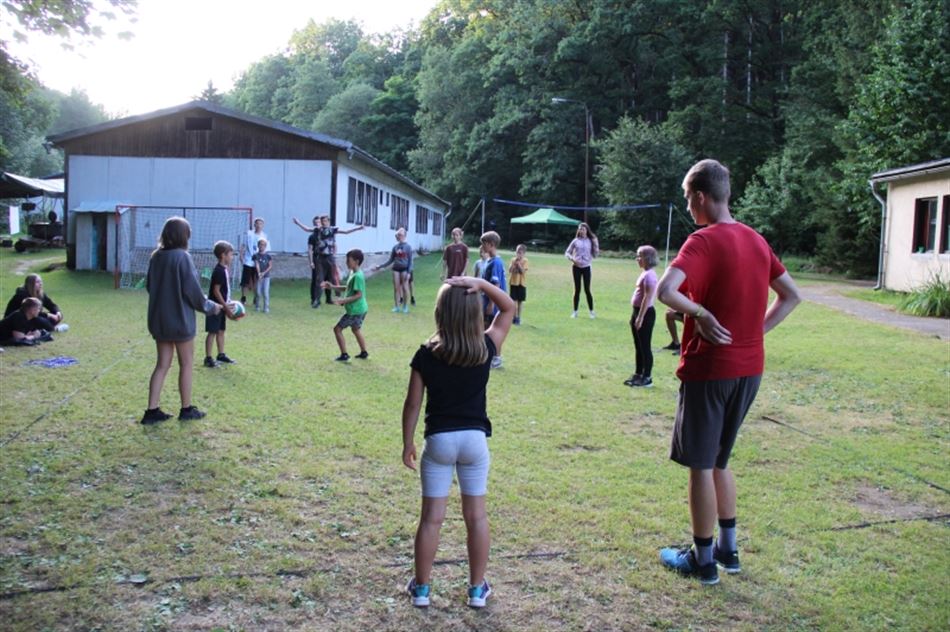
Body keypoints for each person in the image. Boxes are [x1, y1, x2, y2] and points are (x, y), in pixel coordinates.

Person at [656, 159, 800, 585]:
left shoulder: (702, 241)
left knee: (701, 465)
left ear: (701, 197)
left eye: (688, 199)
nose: (688, 207)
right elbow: (791, 296)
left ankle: (702, 561)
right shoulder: (756, 240)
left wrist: (700, 313)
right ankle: (727, 549)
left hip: (710, 370)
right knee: (719, 459)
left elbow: (665, 291)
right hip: (749, 369)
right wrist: (754, 333)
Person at [401, 275, 515, 609]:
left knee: (431, 519)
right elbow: (508, 307)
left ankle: (422, 589)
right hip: (474, 442)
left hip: (438, 441)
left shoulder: (426, 353)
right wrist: (480, 282)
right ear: (476, 312)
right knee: (476, 517)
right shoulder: (486, 347)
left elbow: (412, 404)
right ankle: (477, 590)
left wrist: (407, 443)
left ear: (440, 312)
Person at [143, 216, 223, 424]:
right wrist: (212, 307)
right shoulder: (182, 257)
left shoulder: (156, 257)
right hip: (180, 322)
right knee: (186, 364)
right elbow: (193, 292)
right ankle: (186, 409)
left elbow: (150, 286)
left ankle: (151, 411)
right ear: (183, 236)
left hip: (160, 321)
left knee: (162, 365)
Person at [293, 215, 364, 308]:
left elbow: (346, 232)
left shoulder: (332, 230)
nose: (323, 223)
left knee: (333, 278)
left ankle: (336, 298)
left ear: (329, 222)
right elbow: (307, 229)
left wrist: (358, 228)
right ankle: (316, 301)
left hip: (330, 257)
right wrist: (298, 223)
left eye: (325, 221)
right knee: (319, 279)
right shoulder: (318, 230)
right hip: (320, 258)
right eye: (322, 221)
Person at [321, 249, 369, 362]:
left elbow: (359, 295)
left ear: (356, 261)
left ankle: (344, 355)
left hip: (355, 310)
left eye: (348, 260)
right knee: (355, 329)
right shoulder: (354, 273)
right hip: (361, 309)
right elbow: (348, 288)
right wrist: (332, 287)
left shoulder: (358, 276)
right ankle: (364, 353)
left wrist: (344, 300)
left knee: (337, 329)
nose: (346, 262)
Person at [625, 245, 659, 388]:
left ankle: (647, 378)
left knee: (645, 346)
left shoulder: (650, 275)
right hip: (637, 312)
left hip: (645, 314)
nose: (637, 259)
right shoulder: (645, 273)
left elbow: (647, 297)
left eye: (640, 256)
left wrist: (640, 318)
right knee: (638, 346)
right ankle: (638, 373)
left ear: (648, 258)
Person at [204, 241, 237, 368]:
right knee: (212, 332)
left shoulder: (224, 269)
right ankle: (208, 358)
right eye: (231, 254)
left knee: (221, 331)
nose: (232, 257)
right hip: (215, 307)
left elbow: (224, 289)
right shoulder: (218, 271)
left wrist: (228, 302)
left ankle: (221, 355)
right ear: (223, 255)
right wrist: (225, 306)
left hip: (222, 306)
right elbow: (216, 291)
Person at [479, 231, 507, 369]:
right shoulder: (489, 261)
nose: (482, 246)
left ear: (491, 244)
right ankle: (487, 356)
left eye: (484, 243)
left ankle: (496, 358)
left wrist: (491, 304)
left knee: (492, 331)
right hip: (486, 302)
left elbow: (495, 285)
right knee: (485, 329)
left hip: (493, 305)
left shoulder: (496, 262)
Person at [373, 228, 413, 313]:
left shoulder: (408, 247)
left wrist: (409, 272)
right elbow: (391, 260)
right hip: (396, 269)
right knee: (396, 288)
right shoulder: (395, 247)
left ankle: (405, 307)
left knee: (405, 288)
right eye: (398, 235)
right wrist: (380, 266)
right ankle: (397, 306)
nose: (399, 236)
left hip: (404, 269)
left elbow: (410, 261)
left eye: (400, 235)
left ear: (405, 236)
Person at [565, 222, 599, 318]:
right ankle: (575, 312)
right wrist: (572, 259)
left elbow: (596, 255)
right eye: (580, 229)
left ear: (587, 230)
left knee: (587, 290)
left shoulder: (591, 241)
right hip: (576, 267)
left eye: (583, 229)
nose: (581, 231)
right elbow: (567, 252)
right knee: (577, 290)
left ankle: (591, 312)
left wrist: (596, 246)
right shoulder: (575, 241)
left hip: (586, 267)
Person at [239, 218, 267, 306]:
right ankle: (243, 298)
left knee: (256, 280)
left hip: (258, 261)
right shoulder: (249, 234)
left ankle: (256, 297)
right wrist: (241, 255)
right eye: (257, 223)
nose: (258, 225)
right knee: (245, 281)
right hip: (248, 261)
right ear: (254, 225)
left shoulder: (264, 236)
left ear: (263, 226)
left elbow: (266, 249)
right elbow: (243, 245)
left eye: (260, 224)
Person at [508, 244, 528, 325]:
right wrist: (514, 263)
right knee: (513, 302)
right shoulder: (513, 260)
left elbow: (523, 271)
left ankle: (518, 317)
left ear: (524, 253)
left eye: (520, 253)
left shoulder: (525, 261)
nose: (518, 254)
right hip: (513, 283)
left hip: (521, 283)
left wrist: (519, 264)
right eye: (517, 252)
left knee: (520, 302)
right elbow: (510, 270)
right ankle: (514, 317)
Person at [252, 238, 273, 313]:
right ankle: (257, 306)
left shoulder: (268, 256)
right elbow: (256, 264)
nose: (262, 246)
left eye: (263, 245)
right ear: (258, 246)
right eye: (260, 245)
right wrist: (259, 273)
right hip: (258, 276)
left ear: (265, 246)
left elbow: (270, 266)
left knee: (265, 292)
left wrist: (264, 273)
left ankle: (266, 307)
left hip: (266, 276)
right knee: (258, 292)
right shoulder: (256, 255)